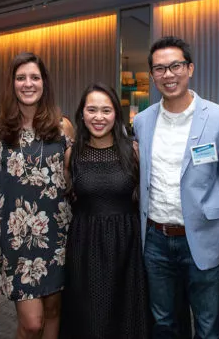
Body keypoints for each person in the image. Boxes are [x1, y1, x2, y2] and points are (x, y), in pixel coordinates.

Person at [133, 36, 219, 338]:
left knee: (207, 326)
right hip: (155, 239)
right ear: (152, 76)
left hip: (203, 238)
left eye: (175, 66)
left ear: (189, 68)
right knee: (163, 322)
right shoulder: (142, 121)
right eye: (160, 69)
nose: (168, 75)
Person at [0, 52, 73, 339]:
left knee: (53, 312)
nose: (28, 83)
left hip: (58, 236)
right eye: (21, 77)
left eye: (34, 77)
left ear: (44, 83)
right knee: (32, 323)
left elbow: (71, 180)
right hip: (18, 240)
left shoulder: (62, 127)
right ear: (12, 84)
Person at [62, 83, 150, 338]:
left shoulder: (133, 152)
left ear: (116, 114)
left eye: (106, 110)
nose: (98, 117)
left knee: (126, 316)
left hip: (127, 245)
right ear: (82, 114)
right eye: (92, 110)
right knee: (89, 317)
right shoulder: (71, 154)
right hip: (84, 246)